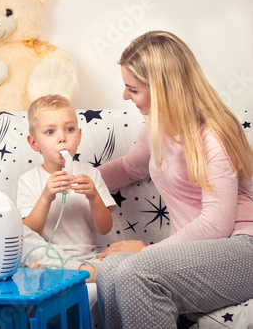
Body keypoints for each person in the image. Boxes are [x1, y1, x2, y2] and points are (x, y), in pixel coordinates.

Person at [95, 30, 253, 328]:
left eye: (133, 89)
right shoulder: (157, 131)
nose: (125, 96)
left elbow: (216, 223)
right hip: (201, 252)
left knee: (136, 271)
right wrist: (79, 179)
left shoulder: (213, 134)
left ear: (163, 89)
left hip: (243, 249)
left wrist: (146, 251)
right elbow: (129, 169)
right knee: (111, 269)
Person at [17, 94, 116, 281]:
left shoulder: (91, 175)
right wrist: (46, 196)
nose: (62, 138)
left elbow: (105, 228)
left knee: (128, 262)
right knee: (16, 235)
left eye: (69, 129)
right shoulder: (28, 180)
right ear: (34, 143)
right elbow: (30, 231)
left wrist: (94, 196)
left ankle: (77, 271)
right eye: (50, 132)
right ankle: (76, 272)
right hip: (49, 258)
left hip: (89, 258)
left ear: (78, 137)